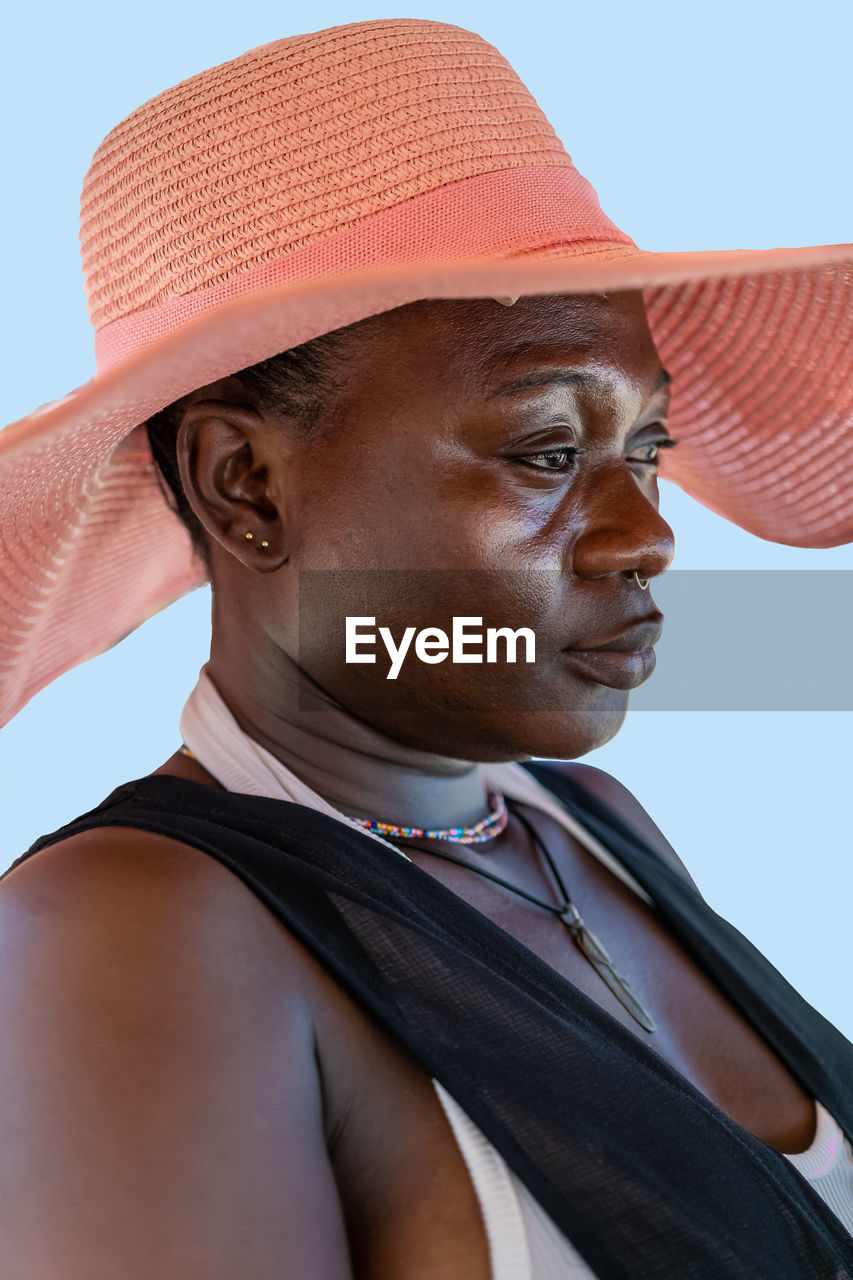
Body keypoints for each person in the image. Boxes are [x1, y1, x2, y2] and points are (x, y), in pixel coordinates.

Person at [0, 18, 851, 1280]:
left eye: (647, 450)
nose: (647, 535)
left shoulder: (581, 825)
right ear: (245, 483)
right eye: (547, 452)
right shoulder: (125, 936)